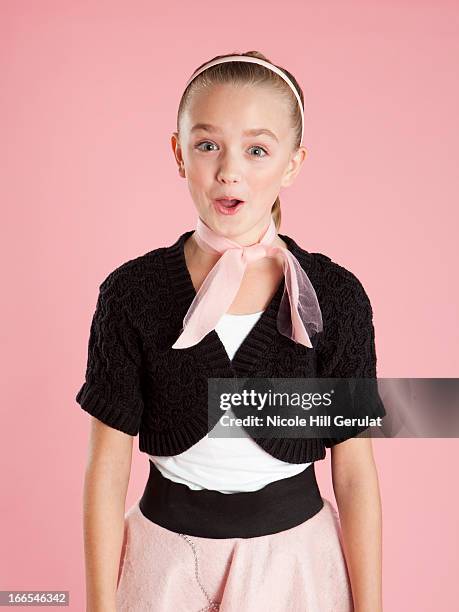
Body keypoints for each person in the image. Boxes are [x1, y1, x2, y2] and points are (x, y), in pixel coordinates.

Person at [76, 50, 386, 612]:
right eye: (207, 144)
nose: (229, 170)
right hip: (164, 563)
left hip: (297, 566)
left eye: (258, 149)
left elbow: (356, 471)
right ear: (178, 153)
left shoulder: (335, 298)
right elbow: (107, 468)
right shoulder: (131, 294)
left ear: (292, 164)